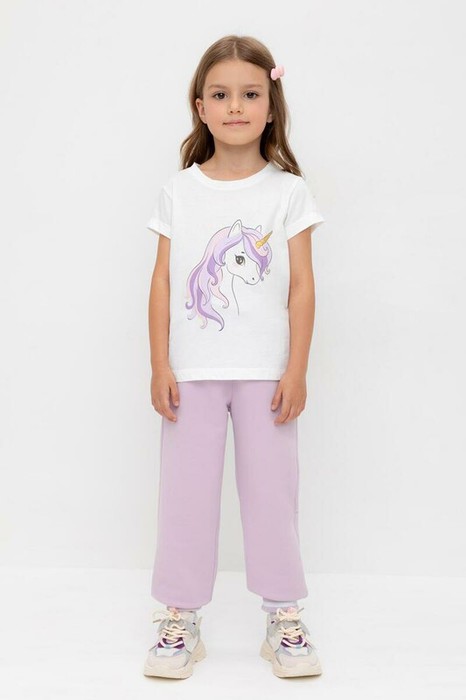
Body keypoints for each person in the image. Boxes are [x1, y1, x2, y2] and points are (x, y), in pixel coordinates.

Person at [143, 34, 325, 680]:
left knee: (272, 495)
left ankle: (284, 616)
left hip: (266, 373)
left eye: (250, 94)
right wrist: (160, 364)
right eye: (220, 95)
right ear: (201, 107)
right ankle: (180, 617)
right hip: (192, 372)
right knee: (186, 497)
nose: (236, 107)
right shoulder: (179, 191)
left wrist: (297, 368)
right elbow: (162, 282)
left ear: (271, 106)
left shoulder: (288, 192)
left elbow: (301, 287)